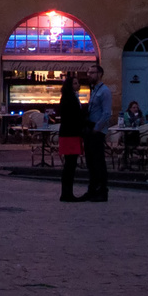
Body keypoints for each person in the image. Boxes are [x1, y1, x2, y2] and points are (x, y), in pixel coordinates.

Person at [82, 66, 112, 202]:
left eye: (92, 72)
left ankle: (102, 190)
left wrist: (97, 128)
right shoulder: (94, 90)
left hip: (96, 130)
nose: (89, 75)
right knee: (91, 161)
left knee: (98, 161)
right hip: (90, 128)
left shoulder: (104, 91)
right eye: (89, 72)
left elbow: (106, 113)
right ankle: (92, 189)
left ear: (100, 74)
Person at [58, 73, 86, 202]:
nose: (78, 85)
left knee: (70, 164)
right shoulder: (69, 98)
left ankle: (67, 192)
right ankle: (67, 193)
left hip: (70, 133)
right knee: (70, 164)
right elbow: (73, 116)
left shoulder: (71, 97)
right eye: (75, 83)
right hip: (70, 134)